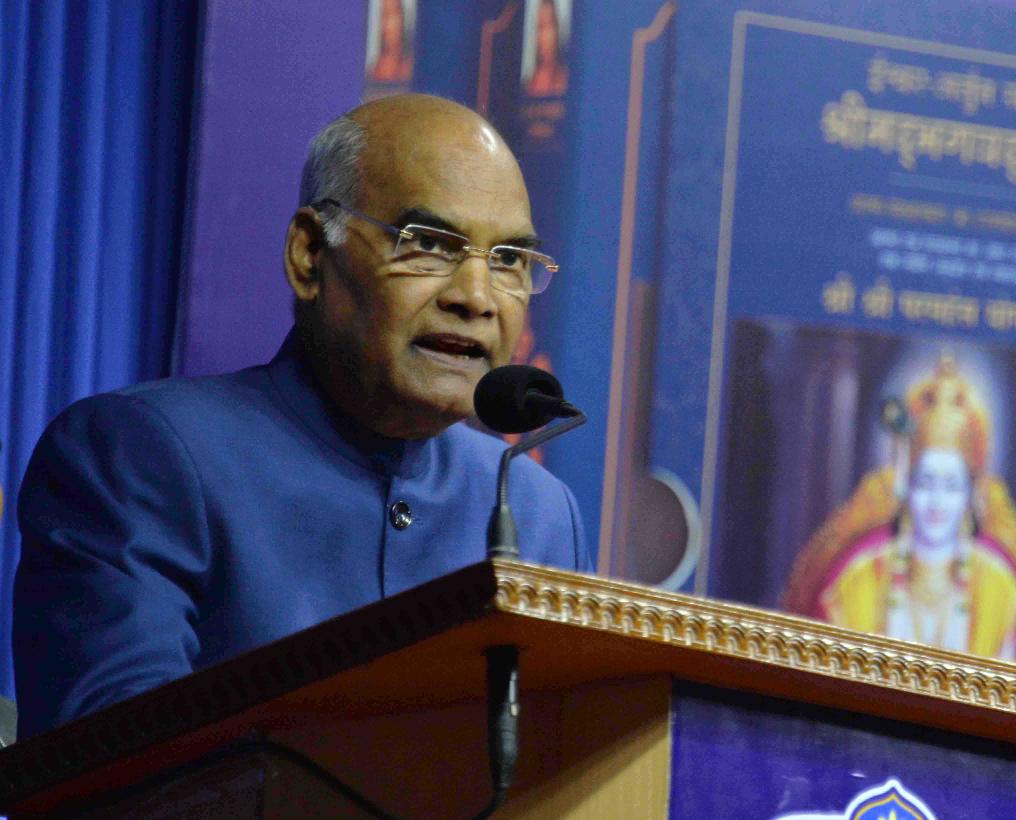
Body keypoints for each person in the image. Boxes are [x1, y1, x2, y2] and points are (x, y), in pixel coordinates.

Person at [13, 94, 589, 738]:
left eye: (508, 259)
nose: (476, 298)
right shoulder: (142, 455)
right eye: (428, 244)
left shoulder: (538, 511)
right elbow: (114, 755)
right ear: (310, 254)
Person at [782, 357, 1016, 666]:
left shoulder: (999, 588)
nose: (936, 502)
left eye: (951, 486)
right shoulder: (860, 580)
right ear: (906, 487)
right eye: (926, 483)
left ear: (970, 495)